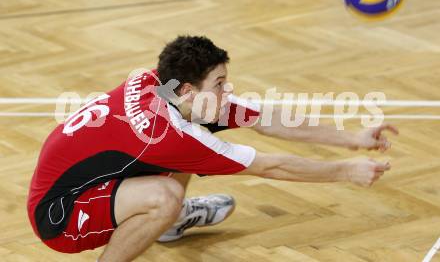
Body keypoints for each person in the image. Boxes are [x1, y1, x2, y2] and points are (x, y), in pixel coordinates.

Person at [27, 36, 398, 261]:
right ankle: (159, 218)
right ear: (189, 89)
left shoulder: (158, 83)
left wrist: (352, 137)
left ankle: (167, 226)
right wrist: (347, 171)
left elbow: (266, 119)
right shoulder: (168, 133)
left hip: (85, 183)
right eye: (220, 83)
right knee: (165, 194)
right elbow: (271, 167)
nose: (228, 91)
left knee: (188, 143)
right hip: (58, 216)